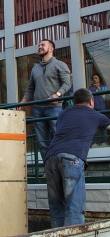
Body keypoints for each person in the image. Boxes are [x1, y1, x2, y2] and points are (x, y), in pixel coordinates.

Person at [44, 88, 110, 228]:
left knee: (57, 207)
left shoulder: (63, 113)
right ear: (91, 100)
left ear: (74, 101)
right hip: (72, 158)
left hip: (51, 157)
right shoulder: (96, 115)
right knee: (74, 207)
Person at [17, 39, 72, 161]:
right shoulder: (35, 69)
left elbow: (67, 83)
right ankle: (49, 171)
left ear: (51, 48)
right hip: (38, 110)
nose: (40, 47)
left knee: (59, 139)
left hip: (55, 109)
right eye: (39, 45)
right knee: (43, 144)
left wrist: (57, 95)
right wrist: (23, 102)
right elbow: (30, 88)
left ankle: (62, 167)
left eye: (43, 45)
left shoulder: (59, 64)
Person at [89, 73, 108, 146]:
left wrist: (98, 88)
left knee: (104, 126)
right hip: (94, 110)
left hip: (102, 109)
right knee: (94, 127)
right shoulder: (90, 89)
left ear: (99, 79)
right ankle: (94, 142)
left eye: (96, 78)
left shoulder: (103, 87)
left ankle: (104, 141)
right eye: (93, 78)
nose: (94, 79)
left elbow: (103, 97)